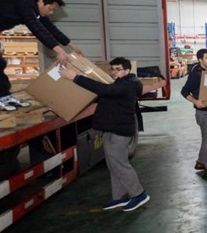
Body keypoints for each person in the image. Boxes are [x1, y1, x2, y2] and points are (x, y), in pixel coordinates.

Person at [0, 0, 84, 111]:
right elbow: (37, 29)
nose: (51, 12)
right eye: (50, 8)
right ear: (41, 2)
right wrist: (58, 50)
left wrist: (70, 44)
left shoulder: (34, 9)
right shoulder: (25, 6)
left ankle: (4, 95)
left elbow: (49, 27)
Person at [60, 57, 149, 212]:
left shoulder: (128, 85)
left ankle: (139, 194)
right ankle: (119, 197)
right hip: (111, 129)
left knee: (120, 164)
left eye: (117, 69)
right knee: (113, 164)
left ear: (127, 71)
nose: (114, 72)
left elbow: (105, 90)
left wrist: (75, 77)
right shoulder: (120, 83)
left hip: (120, 132)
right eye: (112, 69)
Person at [181, 48, 207, 179]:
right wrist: (195, 101)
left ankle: (200, 161)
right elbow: (184, 91)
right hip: (203, 112)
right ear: (200, 60)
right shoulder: (196, 74)